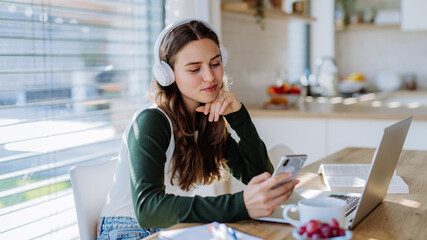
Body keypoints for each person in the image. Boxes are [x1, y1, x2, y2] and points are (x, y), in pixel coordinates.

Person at [96, 19, 299, 240]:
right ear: (168, 75)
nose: (210, 77)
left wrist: (239, 116)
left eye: (215, 63)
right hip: (129, 231)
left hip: (172, 228)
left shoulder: (207, 121)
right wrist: (240, 204)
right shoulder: (152, 120)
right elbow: (148, 209)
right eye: (194, 69)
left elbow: (259, 177)